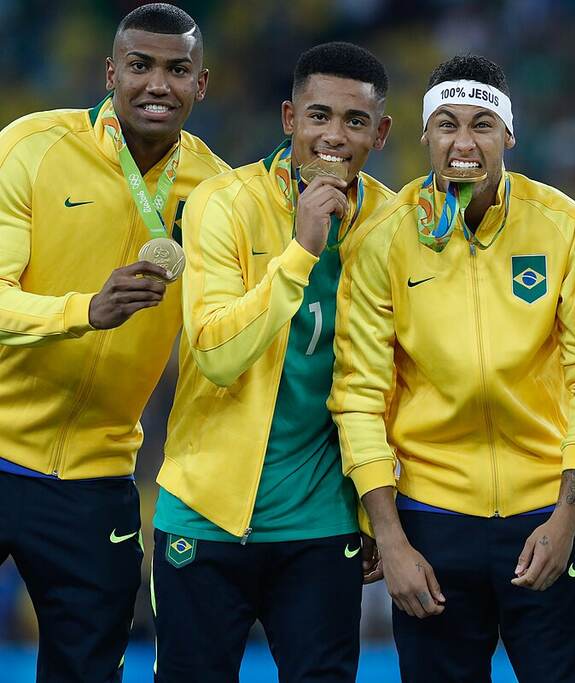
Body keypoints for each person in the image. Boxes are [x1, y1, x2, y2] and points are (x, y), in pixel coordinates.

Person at [331, 55, 575, 683]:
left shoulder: (564, 226)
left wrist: (569, 512)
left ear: (509, 134)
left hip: (548, 515)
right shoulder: (384, 238)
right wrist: (392, 538)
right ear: (424, 134)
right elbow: (359, 396)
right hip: (431, 521)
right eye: (448, 125)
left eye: (483, 125)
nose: (464, 143)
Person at [150, 42, 393, 682]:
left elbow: (397, 383)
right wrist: (302, 250)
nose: (333, 136)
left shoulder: (393, 225)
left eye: (355, 121)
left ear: (382, 132)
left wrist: (375, 511)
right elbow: (219, 355)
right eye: (318, 117)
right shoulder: (224, 203)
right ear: (289, 119)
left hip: (322, 522)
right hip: (204, 512)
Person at [0, 4, 226, 680]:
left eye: (176, 69)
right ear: (111, 73)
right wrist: (84, 310)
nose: (158, 83)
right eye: (141, 66)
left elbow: (220, 340)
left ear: (201, 84)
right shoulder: (31, 147)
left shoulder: (218, 194)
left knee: (87, 667)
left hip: (98, 479)